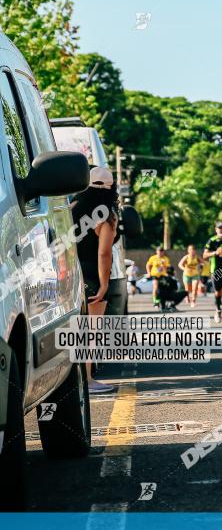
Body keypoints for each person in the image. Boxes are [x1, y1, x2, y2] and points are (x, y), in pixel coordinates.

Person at [71, 166, 119, 393]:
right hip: (92, 274)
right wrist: (104, 284)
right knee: (91, 331)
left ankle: (74, 380)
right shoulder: (107, 216)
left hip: (70, 272)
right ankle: (87, 380)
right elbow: (104, 253)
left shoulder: (69, 209)